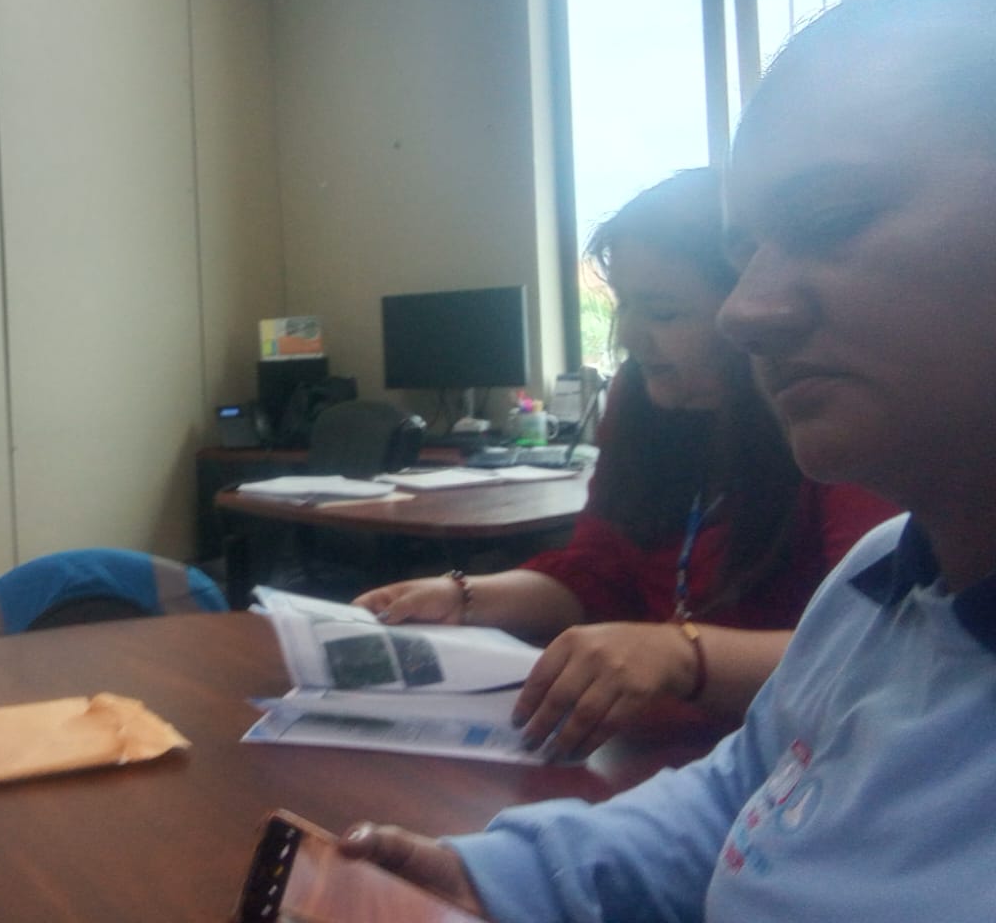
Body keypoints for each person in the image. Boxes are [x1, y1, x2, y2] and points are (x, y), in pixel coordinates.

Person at [338, 0, 996, 921]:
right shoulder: (878, 582)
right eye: (744, 256)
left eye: (831, 219)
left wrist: (680, 654)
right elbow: (748, 794)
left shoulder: (845, 484)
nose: (747, 311)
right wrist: (502, 878)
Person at [354, 168, 895, 758]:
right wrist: (463, 597)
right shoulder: (639, 403)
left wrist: (680, 656)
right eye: (625, 305)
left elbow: (878, 650)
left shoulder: (837, 425)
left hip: (806, 753)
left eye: (663, 313)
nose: (631, 336)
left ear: (752, 311)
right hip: (666, 743)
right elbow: (595, 573)